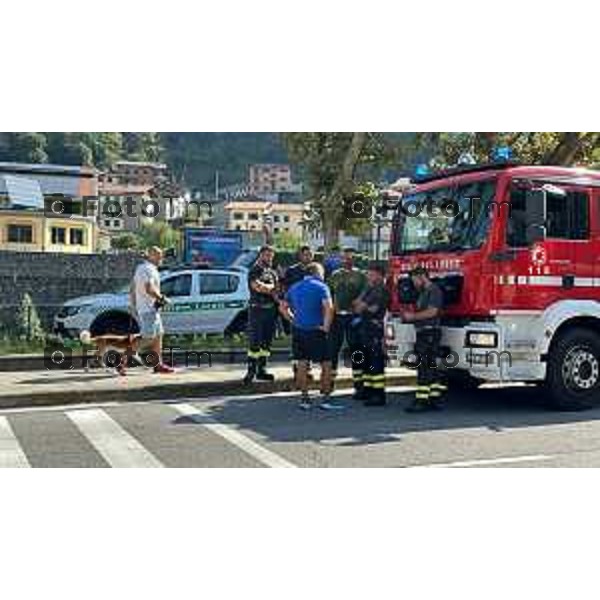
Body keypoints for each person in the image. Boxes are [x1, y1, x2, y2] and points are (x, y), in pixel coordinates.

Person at [283, 262, 338, 410]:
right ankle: (325, 399)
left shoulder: (294, 287)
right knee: (326, 364)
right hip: (317, 330)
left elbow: (283, 306)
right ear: (317, 273)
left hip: (299, 330)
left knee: (302, 363)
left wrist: (292, 318)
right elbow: (329, 308)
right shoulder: (321, 287)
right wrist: (326, 327)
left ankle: (305, 399)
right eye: (322, 273)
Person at [401, 266, 447, 413]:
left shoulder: (433, 290)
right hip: (427, 333)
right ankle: (434, 399)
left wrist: (412, 317)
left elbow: (432, 312)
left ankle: (421, 401)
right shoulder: (425, 292)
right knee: (431, 367)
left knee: (424, 367)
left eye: (414, 280)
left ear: (422, 277)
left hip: (429, 333)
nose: (414, 283)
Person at [130, 246, 175, 374]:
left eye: (162, 256)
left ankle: (158, 365)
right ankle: (126, 354)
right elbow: (149, 288)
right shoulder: (147, 269)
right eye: (159, 256)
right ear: (152, 256)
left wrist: (134, 305)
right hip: (148, 309)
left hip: (150, 308)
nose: (162, 259)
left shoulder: (143, 268)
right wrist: (162, 298)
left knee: (158, 336)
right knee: (148, 338)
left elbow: (133, 288)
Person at [350, 262, 390, 406]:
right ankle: (367, 390)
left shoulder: (381, 290)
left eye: (371, 274)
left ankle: (378, 395)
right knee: (366, 361)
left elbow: (368, 309)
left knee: (375, 363)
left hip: (374, 329)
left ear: (379, 275)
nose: (368, 276)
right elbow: (356, 305)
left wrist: (361, 305)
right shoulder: (369, 288)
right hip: (366, 329)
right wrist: (361, 305)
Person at [327, 248, 368, 386]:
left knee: (356, 348)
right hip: (337, 317)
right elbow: (329, 293)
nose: (347, 261)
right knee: (333, 349)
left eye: (350, 258)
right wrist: (331, 308)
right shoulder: (335, 275)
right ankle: (330, 380)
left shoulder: (361, 275)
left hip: (353, 317)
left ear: (354, 259)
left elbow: (366, 291)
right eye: (344, 258)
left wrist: (359, 301)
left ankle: (358, 382)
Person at [243, 245, 279, 385]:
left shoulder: (272, 272)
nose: (270, 258)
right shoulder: (255, 270)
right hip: (257, 310)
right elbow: (257, 286)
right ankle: (251, 371)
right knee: (255, 342)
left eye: (271, 256)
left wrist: (272, 290)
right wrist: (270, 288)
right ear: (261, 255)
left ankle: (261, 370)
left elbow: (277, 290)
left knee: (266, 343)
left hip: (270, 311)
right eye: (267, 255)